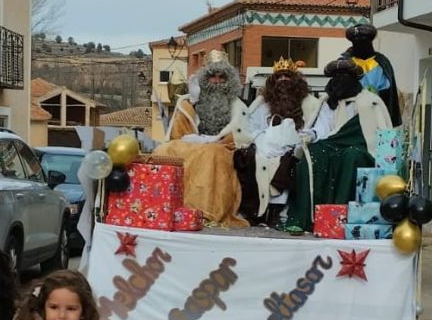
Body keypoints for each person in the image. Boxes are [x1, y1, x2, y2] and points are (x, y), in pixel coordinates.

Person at [285, 58, 392, 233]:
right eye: (336, 76)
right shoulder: (327, 101)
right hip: (332, 142)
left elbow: (377, 130)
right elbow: (322, 127)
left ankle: (342, 216)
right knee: (313, 154)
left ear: (353, 79)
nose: (339, 80)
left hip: (362, 146)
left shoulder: (369, 101)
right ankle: (307, 217)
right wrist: (312, 134)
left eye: (344, 75)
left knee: (351, 156)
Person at [154, 50, 249, 227]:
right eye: (213, 76)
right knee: (165, 150)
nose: (218, 81)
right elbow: (177, 134)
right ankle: (163, 206)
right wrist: (193, 103)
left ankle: (204, 212)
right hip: (193, 143)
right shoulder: (188, 101)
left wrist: (216, 140)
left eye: (222, 77)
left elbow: (241, 133)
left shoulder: (237, 105)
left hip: (222, 146)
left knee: (211, 153)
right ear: (206, 78)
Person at [233, 57, 320, 226]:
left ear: (295, 81)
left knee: (289, 161)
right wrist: (265, 140)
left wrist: (296, 140)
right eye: (279, 77)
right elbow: (252, 128)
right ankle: (254, 210)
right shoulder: (262, 104)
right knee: (248, 158)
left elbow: (313, 129)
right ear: (273, 82)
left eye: (287, 77)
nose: (283, 81)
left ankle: (276, 210)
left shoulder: (309, 104)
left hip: (294, 147)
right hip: (265, 147)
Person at [343, 22, 402, 126]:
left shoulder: (382, 62)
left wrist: (375, 94)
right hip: (350, 114)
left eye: (363, 40)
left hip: (377, 112)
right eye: (356, 41)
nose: (360, 44)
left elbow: (389, 92)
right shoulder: (346, 63)